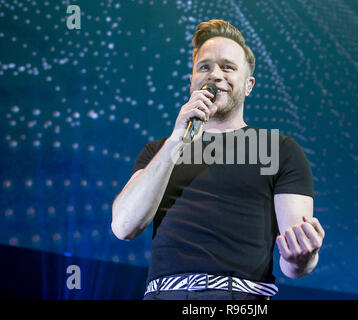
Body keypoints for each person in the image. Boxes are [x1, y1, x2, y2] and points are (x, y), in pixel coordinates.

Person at [111, 19, 324, 300]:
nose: (215, 74)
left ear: (248, 85)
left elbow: (293, 263)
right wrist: (177, 140)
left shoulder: (279, 149)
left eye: (227, 67)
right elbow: (124, 226)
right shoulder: (159, 151)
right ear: (192, 81)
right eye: (205, 67)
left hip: (240, 297)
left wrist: (302, 258)